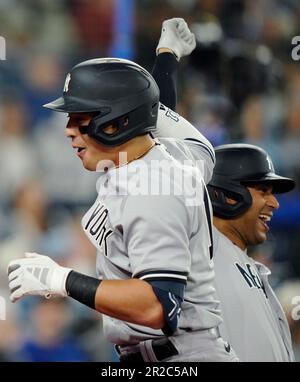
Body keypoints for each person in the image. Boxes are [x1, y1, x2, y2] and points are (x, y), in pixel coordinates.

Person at [7, 55, 238, 361]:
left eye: (80, 118)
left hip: (179, 358)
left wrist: (61, 280)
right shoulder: (164, 156)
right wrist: (166, 60)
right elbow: (201, 148)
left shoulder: (154, 189)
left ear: (119, 121)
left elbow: (158, 305)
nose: (68, 129)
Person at [152, 17, 296, 361]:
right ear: (229, 196)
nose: (274, 202)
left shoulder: (245, 260)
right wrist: (167, 54)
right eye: (263, 190)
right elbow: (153, 133)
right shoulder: (200, 245)